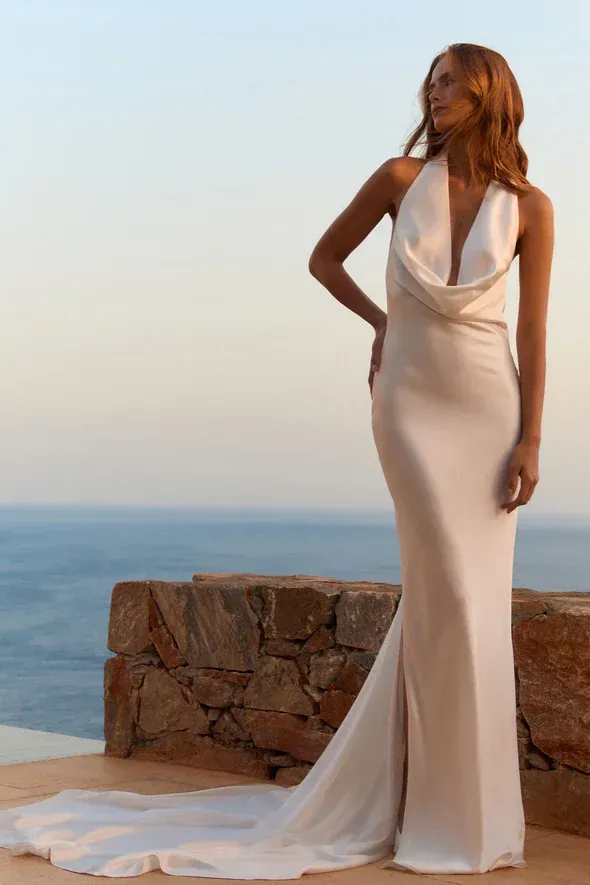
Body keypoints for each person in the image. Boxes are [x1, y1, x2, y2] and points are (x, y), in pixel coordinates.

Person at [0, 42, 553, 879]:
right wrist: (381, 322)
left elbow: (534, 333)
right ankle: (440, 815)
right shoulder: (401, 181)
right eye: (430, 82)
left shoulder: (534, 208)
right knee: (449, 582)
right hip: (408, 402)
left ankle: (458, 812)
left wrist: (532, 436)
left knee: (460, 602)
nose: (434, 92)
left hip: (488, 407)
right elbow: (323, 258)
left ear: (489, 91)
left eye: (450, 80)